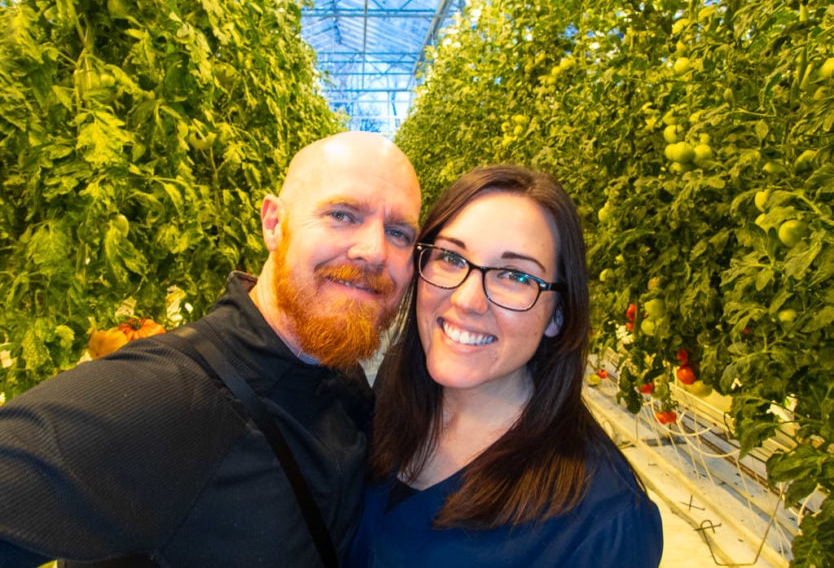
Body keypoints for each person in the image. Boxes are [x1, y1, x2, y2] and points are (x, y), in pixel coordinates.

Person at [0, 131, 422, 567]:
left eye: (399, 232)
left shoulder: (341, 375)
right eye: (342, 214)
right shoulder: (166, 396)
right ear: (274, 223)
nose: (374, 251)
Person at [348, 165, 663, 568]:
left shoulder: (603, 523)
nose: (467, 300)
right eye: (450, 257)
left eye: (514, 276)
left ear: (558, 315)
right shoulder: (386, 397)